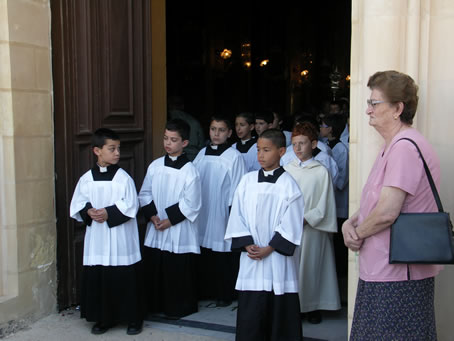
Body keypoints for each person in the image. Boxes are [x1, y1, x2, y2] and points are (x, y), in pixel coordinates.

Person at [342, 70, 444, 340]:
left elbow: (388, 212)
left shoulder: (404, 148)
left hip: (397, 273)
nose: (367, 110)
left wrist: (357, 235)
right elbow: (375, 202)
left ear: (398, 108)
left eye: (374, 103)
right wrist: (350, 223)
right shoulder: (394, 145)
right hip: (386, 268)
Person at [225, 128, 305, 341]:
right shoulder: (247, 181)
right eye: (258, 150)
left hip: (276, 259)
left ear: (281, 151)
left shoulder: (289, 186)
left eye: (266, 150)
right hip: (251, 256)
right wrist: (246, 243)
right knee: (251, 312)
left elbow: (292, 223)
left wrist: (269, 248)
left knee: (278, 307)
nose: (260, 155)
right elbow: (237, 214)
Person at [69, 128, 144, 335]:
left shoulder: (123, 178)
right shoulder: (86, 179)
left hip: (120, 238)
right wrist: (89, 211)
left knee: (124, 276)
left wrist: (109, 213)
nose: (117, 153)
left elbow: (131, 205)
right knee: (100, 275)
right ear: (97, 151)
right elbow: (77, 204)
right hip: (98, 239)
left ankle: (133, 319)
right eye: (112, 149)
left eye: (119, 148)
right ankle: (104, 318)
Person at [138, 119, 202, 319]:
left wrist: (169, 221)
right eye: (166, 138)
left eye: (173, 140)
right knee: (155, 266)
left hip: (177, 228)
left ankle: (177, 307)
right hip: (157, 225)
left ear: (184, 143)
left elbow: (192, 203)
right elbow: (145, 193)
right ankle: (155, 305)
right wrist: (153, 216)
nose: (168, 143)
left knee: (176, 270)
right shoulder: (155, 165)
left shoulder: (190, 171)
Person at [284, 122, 340, 325]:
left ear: (314, 144)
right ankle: (294, 307)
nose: (298, 149)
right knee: (293, 269)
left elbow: (324, 201)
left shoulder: (320, 171)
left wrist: (307, 218)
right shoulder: (286, 169)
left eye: (303, 143)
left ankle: (313, 306)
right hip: (290, 227)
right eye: (294, 144)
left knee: (312, 267)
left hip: (312, 228)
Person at [193, 115, 247, 306]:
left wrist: (233, 214)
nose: (216, 134)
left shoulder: (234, 156)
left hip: (222, 211)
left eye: (221, 130)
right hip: (203, 210)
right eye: (213, 129)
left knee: (221, 252)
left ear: (229, 133)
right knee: (204, 250)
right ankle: (205, 290)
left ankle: (224, 293)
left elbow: (238, 187)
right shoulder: (201, 153)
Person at [320, 114, 349, 279]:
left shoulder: (340, 149)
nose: (321, 129)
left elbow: (342, 178)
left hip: (338, 200)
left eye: (323, 126)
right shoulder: (325, 145)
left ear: (330, 128)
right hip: (330, 200)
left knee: (338, 239)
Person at [168, 95, 205, 161]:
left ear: (169, 105)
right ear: (183, 106)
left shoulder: (166, 119)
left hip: (172, 157)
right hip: (194, 157)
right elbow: (202, 144)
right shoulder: (194, 121)